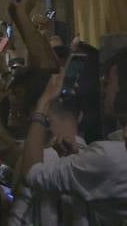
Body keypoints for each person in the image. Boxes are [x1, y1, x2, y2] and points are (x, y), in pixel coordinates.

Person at [17, 55, 127, 225]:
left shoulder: (109, 157)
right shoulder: (109, 153)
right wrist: (79, 158)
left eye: (108, 83)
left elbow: (31, 175)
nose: (103, 88)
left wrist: (43, 102)